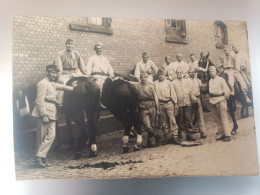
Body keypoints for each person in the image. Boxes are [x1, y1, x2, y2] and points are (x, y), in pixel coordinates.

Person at [31, 64, 74, 168]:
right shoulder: (42, 83)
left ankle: (39, 156)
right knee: (41, 137)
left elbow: (63, 87)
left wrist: (74, 87)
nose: (55, 75)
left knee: (51, 136)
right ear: (47, 72)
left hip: (52, 113)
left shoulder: (52, 84)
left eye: (56, 73)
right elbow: (39, 100)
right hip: (44, 112)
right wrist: (44, 114)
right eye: (53, 72)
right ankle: (40, 159)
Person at [56, 39, 86, 106]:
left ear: (74, 45)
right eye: (68, 44)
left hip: (76, 72)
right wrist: (60, 76)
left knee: (87, 82)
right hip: (66, 73)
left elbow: (81, 64)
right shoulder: (60, 54)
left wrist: (85, 73)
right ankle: (60, 103)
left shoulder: (76, 53)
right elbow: (59, 66)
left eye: (72, 44)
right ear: (66, 45)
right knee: (61, 87)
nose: (70, 46)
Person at [153, 69, 180, 144]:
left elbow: (173, 93)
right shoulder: (154, 84)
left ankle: (175, 137)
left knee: (172, 120)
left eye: (162, 74)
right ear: (157, 75)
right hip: (160, 104)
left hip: (169, 103)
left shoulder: (168, 82)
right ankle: (167, 137)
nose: (160, 76)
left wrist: (175, 104)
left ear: (164, 75)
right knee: (164, 122)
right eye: (159, 74)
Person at [172, 67, 198, 141]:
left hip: (187, 103)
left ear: (182, 73)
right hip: (179, 104)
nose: (179, 74)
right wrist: (175, 104)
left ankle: (189, 135)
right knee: (180, 120)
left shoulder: (187, 81)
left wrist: (193, 99)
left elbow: (190, 91)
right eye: (178, 72)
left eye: (181, 72)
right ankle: (180, 136)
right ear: (176, 73)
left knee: (188, 119)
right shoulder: (173, 83)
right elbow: (173, 94)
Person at [135, 71, 160, 147]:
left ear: (147, 78)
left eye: (145, 77)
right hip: (142, 108)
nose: (143, 79)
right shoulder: (137, 86)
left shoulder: (150, 86)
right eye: (142, 77)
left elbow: (155, 98)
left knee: (152, 125)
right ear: (140, 78)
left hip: (152, 106)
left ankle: (150, 142)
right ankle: (157, 136)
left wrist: (157, 109)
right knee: (147, 126)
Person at [208, 65, 231, 142]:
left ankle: (227, 135)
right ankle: (221, 133)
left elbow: (227, 91)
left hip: (221, 100)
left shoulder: (221, 79)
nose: (211, 73)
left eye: (212, 71)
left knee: (224, 118)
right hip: (213, 101)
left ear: (216, 72)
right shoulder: (210, 81)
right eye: (210, 71)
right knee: (217, 119)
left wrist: (224, 99)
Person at [188, 67, 207, 138]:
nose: (191, 73)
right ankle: (191, 133)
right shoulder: (186, 81)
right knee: (190, 117)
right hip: (190, 100)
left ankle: (202, 132)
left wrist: (207, 83)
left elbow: (202, 88)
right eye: (190, 72)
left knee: (200, 115)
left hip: (198, 98)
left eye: (192, 72)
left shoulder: (198, 80)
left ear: (194, 73)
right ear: (188, 73)